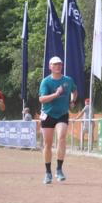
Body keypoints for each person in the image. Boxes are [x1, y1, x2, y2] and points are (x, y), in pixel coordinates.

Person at [38, 56, 77, 184]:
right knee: (48, 144)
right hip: (48, 115)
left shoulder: (68, 80)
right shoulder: (46, 82)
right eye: (55, 64)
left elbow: (75, 91)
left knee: (61, 137)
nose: (58, 66)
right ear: (50, 67)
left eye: (60, 64)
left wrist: (72, 100)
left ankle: (59, 169)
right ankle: (48, 172)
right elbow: (42, 99)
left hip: (62, 114)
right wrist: (56, 94)